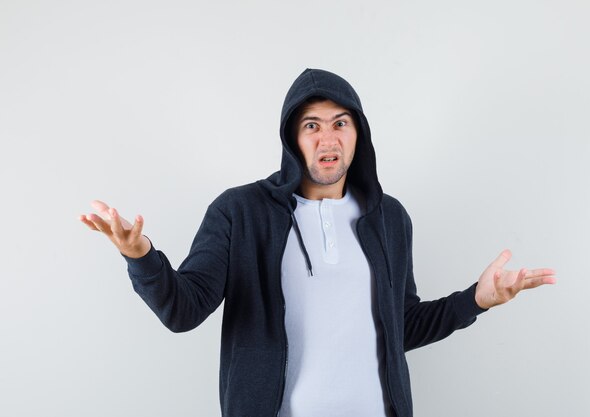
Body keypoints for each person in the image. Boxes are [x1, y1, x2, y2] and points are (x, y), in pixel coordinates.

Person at [78, 68, 556, 417]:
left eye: (340, 123)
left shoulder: (388, 218)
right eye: (312, 125)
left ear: (357, 134)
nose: (327, 137)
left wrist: (478, 298)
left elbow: (401, 327)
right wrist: (140, 256)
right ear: (293, 137)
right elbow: (184, 309)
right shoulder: (239, 211)